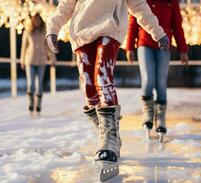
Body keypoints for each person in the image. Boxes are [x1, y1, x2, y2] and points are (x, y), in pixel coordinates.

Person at [46, 0, 169, 164]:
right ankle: (107, 134)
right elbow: (65, 5)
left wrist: (158, 32)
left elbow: (139, 5)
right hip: (82, 32)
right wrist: (53, 29)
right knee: (89, 89)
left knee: (102, 76)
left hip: (109, 28)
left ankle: (109, 141)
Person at [125, 0, 189, 139]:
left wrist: (183, 49)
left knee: (161, 82)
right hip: (144, 44)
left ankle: (160, 118)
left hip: (164, 45)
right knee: (148, 79)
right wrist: (129, 46)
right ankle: (148, 113)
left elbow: (177, 26)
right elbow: (133, 21)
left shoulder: (172, 2)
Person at [20, 13, 55, 115]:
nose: (37, 22)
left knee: (39, 84)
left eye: (39, 20)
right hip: (29, 60)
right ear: (33, 21)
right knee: (31, 84)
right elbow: (24, 47)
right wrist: (22, 60)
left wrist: (52, 58)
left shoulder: (44, 32)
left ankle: (38, 106)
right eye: (36, 20)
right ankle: (31, 105)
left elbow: (48, 47)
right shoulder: (27, 32)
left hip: (41, 61)